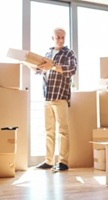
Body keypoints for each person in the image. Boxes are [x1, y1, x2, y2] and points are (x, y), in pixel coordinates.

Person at [35, 27, 77, 171]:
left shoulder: (68, 53)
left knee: (63, 131)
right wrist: (34, 66)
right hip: (47, 97)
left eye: (63, 37)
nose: (60, 40)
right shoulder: (47, 53)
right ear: (52, 38)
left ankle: (63, 162)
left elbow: (72, 69)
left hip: (60, 97)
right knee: (49, 130)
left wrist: (52, 66)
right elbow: (41, 71)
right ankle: (49, 161)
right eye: (58, 37)